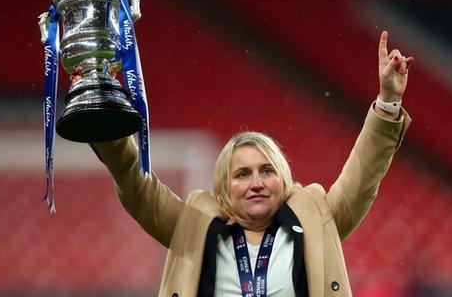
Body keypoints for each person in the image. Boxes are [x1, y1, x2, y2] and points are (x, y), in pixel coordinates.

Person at [90, 31, 412, 296]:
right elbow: (136, 185)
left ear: (283, 180)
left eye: (266, 171)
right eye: (242, 174)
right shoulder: (194, 224)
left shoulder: (316, 218)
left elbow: (362, 176)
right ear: (224, 188)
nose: (256, 183)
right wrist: (105, 118)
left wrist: (388, 102)